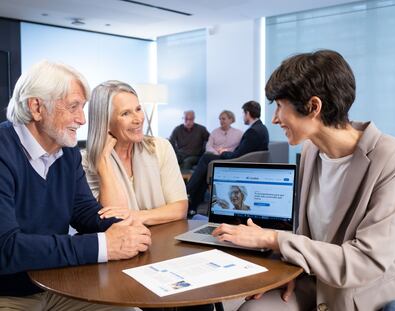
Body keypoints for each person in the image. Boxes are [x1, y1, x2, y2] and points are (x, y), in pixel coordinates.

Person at [212, 50, 395, 311]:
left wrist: (272, 239)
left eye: (280, 106)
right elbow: (306, 235)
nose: (274, 118)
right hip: (314, 281)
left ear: (313, 107)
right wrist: (292, 272)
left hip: (362, 293)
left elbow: (364, 261)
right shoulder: (310, 151)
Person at [0, 61, 151, 310]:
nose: (82, 119)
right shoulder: (4, 151)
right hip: (8, 294)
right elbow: (6, 248)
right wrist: (103, 245)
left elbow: (83, 211)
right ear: (37, 107)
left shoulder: (67, 151)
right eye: (73, 107)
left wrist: (122, 229)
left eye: (83, 107)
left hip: (57, 283)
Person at [82, 80, 188, 225]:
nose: (138, 119)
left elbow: (179, 208)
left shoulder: (160, 147)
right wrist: (103, 161)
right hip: (122, 245)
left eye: (138, 109)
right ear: (105, 121)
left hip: (166, 240)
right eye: (125, 113)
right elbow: (114, 221)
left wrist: (136, 216)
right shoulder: (86, 162)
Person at [187, 100, 269, 216]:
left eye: (243, 114)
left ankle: (188, 192)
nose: (243, 117)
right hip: (245, 161)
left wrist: (224, 153)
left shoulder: (252, 132)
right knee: (206, 168)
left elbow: (237, 155)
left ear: (248, 113)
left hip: (239, 164)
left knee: (206, 159)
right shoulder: (261, 128)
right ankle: (193, 204)